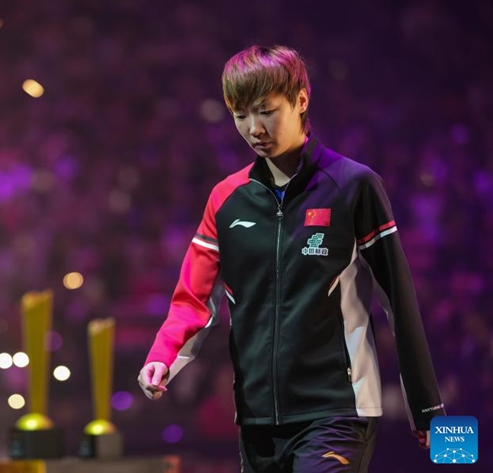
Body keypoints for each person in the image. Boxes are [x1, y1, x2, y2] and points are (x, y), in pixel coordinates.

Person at [137, 45, 445, 472]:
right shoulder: (225, 199)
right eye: (240, 115)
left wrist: (427, 407)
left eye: (266, 111)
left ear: (301, 100)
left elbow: (399, 300)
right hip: (256, 419)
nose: (253, 128)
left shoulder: (354, 186)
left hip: (338, 411)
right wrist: (161, 356)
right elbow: (194, 297)